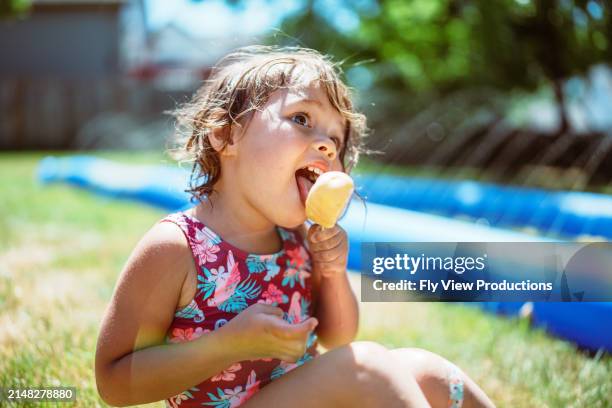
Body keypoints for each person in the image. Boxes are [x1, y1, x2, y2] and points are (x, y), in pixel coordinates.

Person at [95, 45, 495, 408]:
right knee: (368, 366)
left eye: (336, 140)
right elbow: (114, 382)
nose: (327, 146)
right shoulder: (177, 247)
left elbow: (337, 338)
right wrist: (227, 346)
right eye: (302, 118)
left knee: (426, 370)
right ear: (225, 134)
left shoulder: (296, 240)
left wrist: (333, 273)